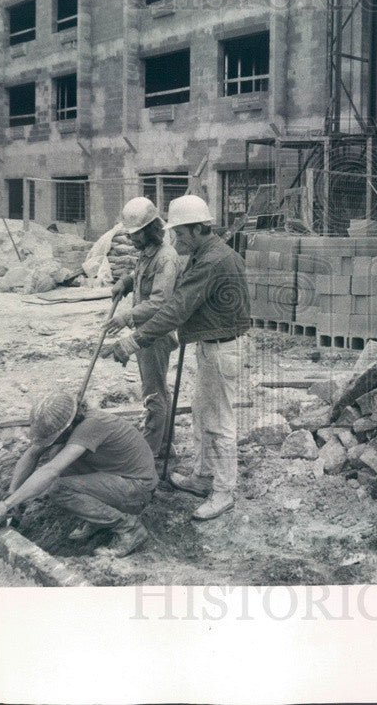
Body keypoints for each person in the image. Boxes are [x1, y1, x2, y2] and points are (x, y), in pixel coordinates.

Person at [101, 194, 250, 522]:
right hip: (212, 344)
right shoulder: (204, 253)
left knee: (220, 421)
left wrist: (132, 341)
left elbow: (176, 308)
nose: (175, 238)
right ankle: (202, 475)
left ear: (199, 229)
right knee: (200, 410)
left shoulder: (212, 261)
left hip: (222, 347)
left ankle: (224, 491)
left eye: (181, 233)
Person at [0, 390, 157, 557]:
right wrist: (12, 494)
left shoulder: (91, 425)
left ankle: (130, 529)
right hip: (115, 474)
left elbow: (51, 471)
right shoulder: (74, 422)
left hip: (137, 488)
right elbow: (32, 453)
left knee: (59, 488)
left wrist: (6, 506)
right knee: (56, 453)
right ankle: (98, 518)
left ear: (67, 427)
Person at [108, 196, 181, 455]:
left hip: (156, 334)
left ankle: (148, 453)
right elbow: (139, 274)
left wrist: (125, 318)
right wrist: (125, 283)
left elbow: (160, 302)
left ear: (151, 229)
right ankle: (164, 445)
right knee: (158, 390)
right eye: (130, 235)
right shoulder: (147, 253)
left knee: (153, 395)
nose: (132, 240)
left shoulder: (166, 258)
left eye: (136, 234)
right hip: (146, 332)